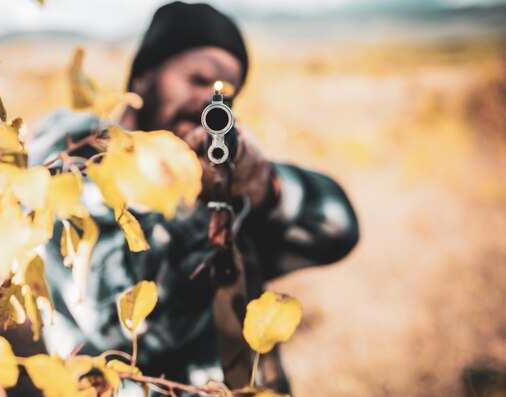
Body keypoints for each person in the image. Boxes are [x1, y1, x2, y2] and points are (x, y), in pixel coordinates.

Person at [27, 1, 359, 394]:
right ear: (143, 78)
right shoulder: (75, 157)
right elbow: (124, 327)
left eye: (224, 94)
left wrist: (264, 188)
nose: (209, 100)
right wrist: (201, 206)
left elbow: (340, 230)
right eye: (197, 79)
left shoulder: (219, 169)